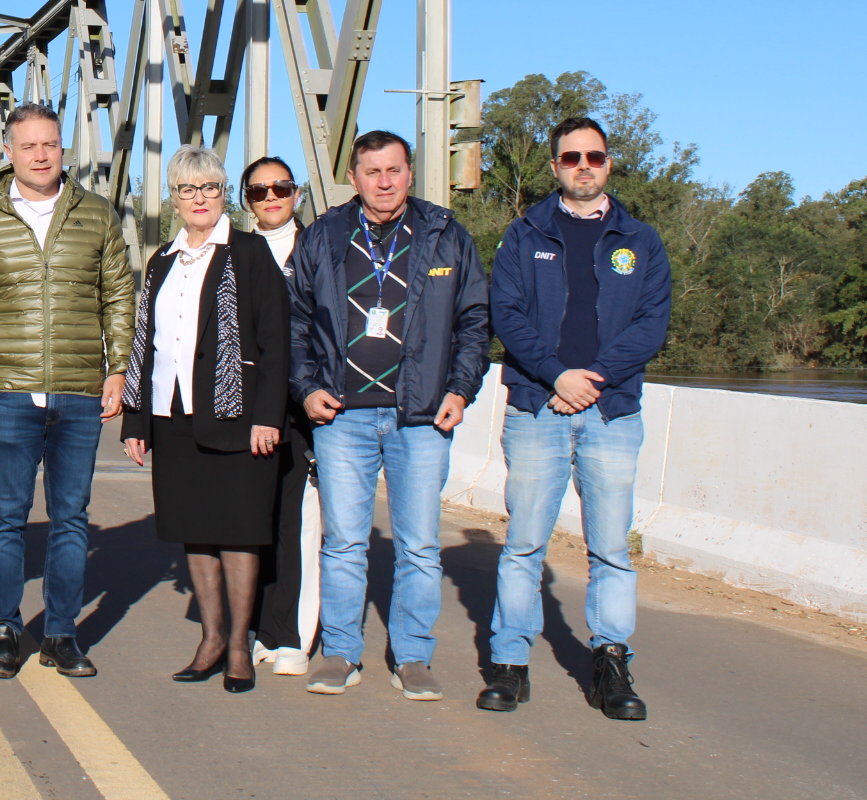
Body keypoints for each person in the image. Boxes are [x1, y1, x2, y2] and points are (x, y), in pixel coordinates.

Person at [480, 115, 671, 721]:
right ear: (555, 166)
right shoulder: (523, 233)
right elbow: (505, 313)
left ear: (608, 163)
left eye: (593, 156)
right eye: (570, 158)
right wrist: (556, 375)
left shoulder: (640, 241)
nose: (582, 166)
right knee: (523, 544)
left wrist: (590, 381)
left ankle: (611, 664)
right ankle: (510, 665)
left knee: (612, 549)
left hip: (611, 411)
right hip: (538, 406)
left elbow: (651, 323)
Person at [287, 129, 489, 700]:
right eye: (371, 172)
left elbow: (475, 319)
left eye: (394, 170)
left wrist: (461, 390)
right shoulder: (325, 235)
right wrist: (304, 388)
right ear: (353, 177)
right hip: (342, 415)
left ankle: (414, 656)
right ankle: (341, 651)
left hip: (421, 416)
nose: (383, 182)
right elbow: (295, 322)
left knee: (420, 543)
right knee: (345, 541)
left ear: (410, 173)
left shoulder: (446, 235)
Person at [0, 102, 137, 679]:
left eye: (49, 144)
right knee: (7, 515)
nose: (41, 155)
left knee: (71, 516)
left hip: (79, 391)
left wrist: (118, 368)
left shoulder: (97, 215)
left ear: (61, 148)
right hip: (7, 389)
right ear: (9, 153)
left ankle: (61, 633)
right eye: (28, 146)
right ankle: (3, 628)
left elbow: (118, 296)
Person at [120, 146, 289, 694]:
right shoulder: (161, 261)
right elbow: (144, 345)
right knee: (196, 532)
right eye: (188, 190)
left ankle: (239, 644)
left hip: (236, 416)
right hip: (174, 418)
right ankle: (210, 638)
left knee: (239, 533)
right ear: (173, 197)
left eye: (210, 188)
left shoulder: (249, 252)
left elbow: (275, 340)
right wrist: (136, 421)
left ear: (223, 196)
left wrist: (268, 417)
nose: (199, 199)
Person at [240, 155, 320, 677]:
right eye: (259, 191)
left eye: (282, 188)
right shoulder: (233, 252)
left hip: (301, 406)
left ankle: (290, 633)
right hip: (245, 406)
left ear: (297, 193)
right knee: (251, 521)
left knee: (297, 522)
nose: (271, 198)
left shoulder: (319, 248)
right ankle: (257, 628)